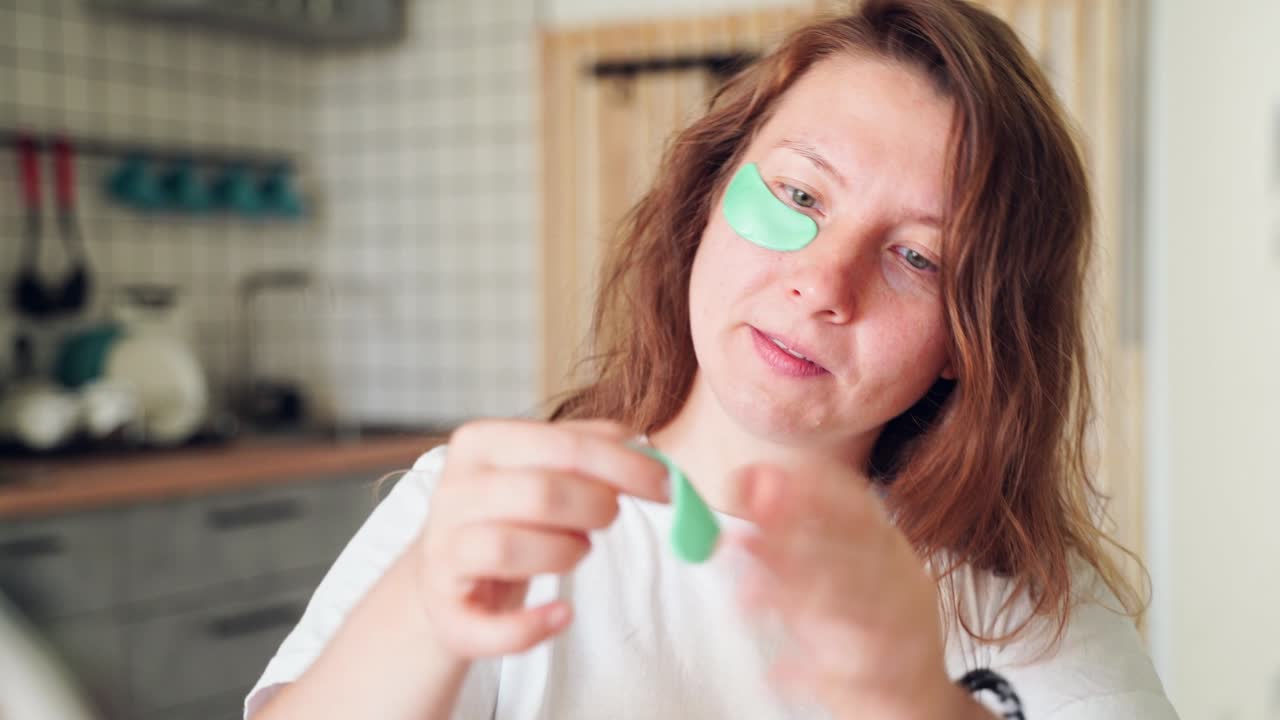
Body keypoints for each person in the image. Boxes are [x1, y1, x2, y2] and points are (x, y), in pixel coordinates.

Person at [246, 1, 1180, 717]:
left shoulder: (1016, 599)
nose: (824, 282)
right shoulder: (481, 520)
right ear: (706, 201)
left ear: (969, 344)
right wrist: (420, 607)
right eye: (800, 193)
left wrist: (922, 704)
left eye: (918, 257)